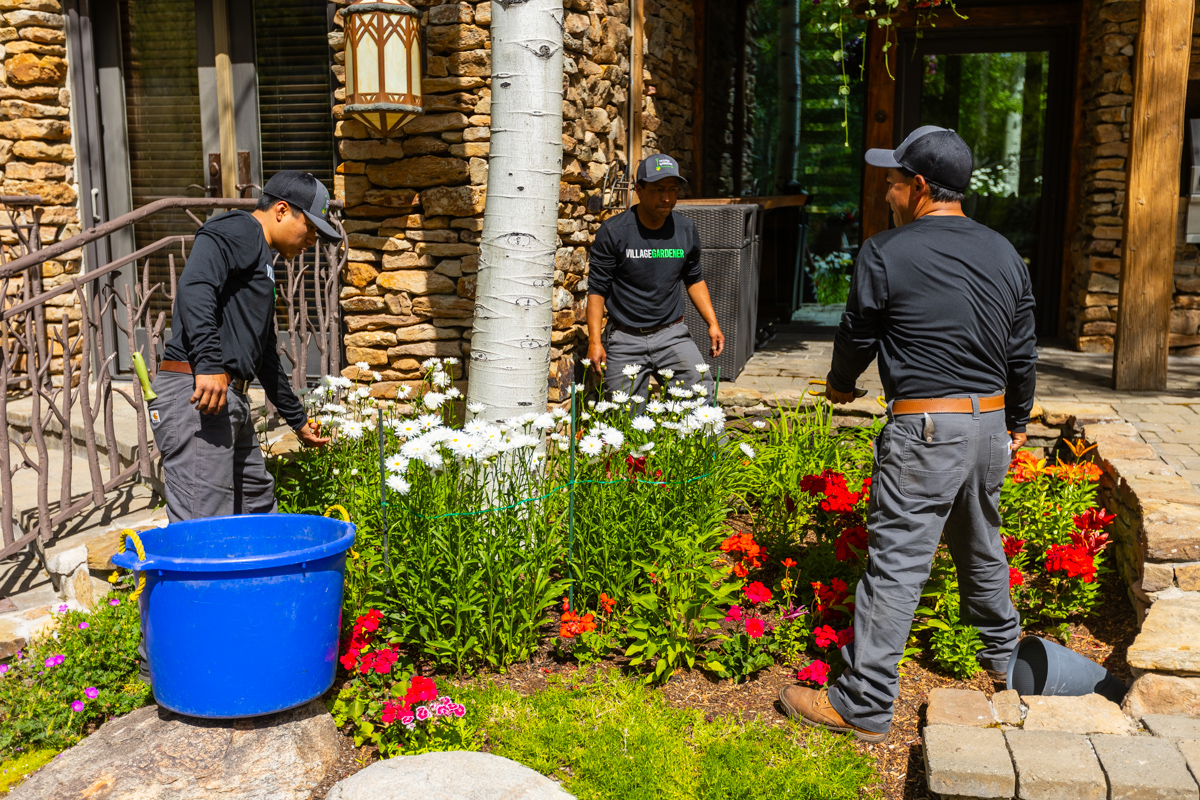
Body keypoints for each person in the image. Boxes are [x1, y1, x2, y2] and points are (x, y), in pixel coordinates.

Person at [778, 126, 1037, 743]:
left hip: (926, 427)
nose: (888, 193)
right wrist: (1018, 422)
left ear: (920, 187)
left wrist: (841, 384)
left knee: (897, 565)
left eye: (893, 182)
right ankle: (1008, 662)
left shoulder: (885, 251)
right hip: (989, 425)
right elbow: (1021, 353)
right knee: (981, 545)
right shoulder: (1004, 252)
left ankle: (863, 702)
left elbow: (858, 332)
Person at [149, 170, 337, 523]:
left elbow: (263, 353)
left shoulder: (262, 262)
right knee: (203, 525)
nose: (312, 239)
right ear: (282, 210)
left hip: (227, 398)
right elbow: (195, 286)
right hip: (198, 392)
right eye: (310, 227)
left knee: (257, 509)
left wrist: (297, 420)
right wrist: (207, 364)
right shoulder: (238, 229)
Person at [586, 153, 725, 399]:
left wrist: (712, 323)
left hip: (672, 334)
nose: (667, 197)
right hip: (625, 337)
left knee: (699, 398)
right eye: (658, 189)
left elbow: (693, 278)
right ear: (639, 190)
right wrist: (595, 341)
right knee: (623, 418)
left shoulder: (685, 229)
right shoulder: (614, 231)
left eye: (673, 189)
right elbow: (597, 289)